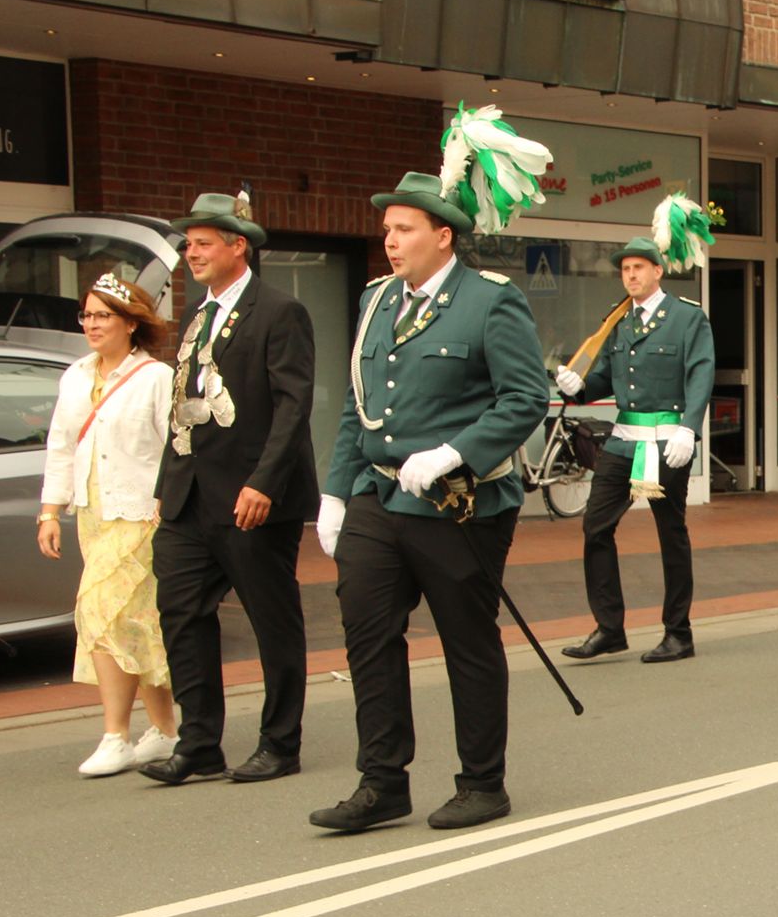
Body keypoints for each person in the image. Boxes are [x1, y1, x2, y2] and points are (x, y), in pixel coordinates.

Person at [310, 169, 549, 833]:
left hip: (457, 501)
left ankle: (482, 782)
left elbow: (525, 398)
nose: (390, 240)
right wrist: (334, 492)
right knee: (367, 632)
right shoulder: (376, 300)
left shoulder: (490, 301)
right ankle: (382, 781)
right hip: (377, 493)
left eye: (404, 228)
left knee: (466, 640)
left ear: (443, 236)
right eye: (387, 229)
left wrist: (454, 452)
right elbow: (359, 405)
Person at [141, 192, 318, 786]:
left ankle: (280, 742)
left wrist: (263, 482)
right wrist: (167, 484)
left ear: (238, 246)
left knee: (272, 618)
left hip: (251, 496)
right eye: (188, 244)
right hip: (189, 496)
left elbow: (293, 407)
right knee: (181, 612)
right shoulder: (198, 311)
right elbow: (182, 403)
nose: (191, 253)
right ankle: (199, 743)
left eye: (203, 243)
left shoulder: (280, 311)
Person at [38, 274, 178, 777]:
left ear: (130, 323)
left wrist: (168, 503)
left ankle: (115, 736)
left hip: (141, 516)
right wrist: (50, 511)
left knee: (98, 610)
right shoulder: (76, 375)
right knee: (135, 622)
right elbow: (60, 444)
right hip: (92, 515)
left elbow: (176, 449)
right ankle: (164, 730)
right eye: (87, 315)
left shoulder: (155, 378)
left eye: (103, 315)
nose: (92, 325)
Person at [557, 235, 715, 664]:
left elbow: (700, 374)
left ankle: (678, 633)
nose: (630, 275)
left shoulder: (686, 318)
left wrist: (688, 430)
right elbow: (608, 377)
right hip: (624, 441)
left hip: (666, 443)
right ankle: (609, 629)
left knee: (670, 533)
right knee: (595, 526)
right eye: (625, 269)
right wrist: (579, 387)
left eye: (638, 268)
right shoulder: (619, 319)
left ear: (657, 271)